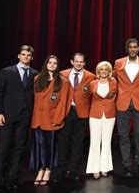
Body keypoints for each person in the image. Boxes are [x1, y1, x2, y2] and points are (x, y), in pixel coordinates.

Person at [0, 45, 38, 193]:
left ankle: (12, 178)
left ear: (31, 57)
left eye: (28, 55)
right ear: (19, 56)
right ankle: (0, 179)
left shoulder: (35, 74)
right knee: (4, 147)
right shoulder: (7, 71)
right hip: (8, 114)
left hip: (25, 116)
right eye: (23, 54)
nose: (25, 57)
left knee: (19, 147)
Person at [113, 38, 139, 177]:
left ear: (138, 48)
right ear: (127, 49)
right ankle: (127, 165)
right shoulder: (118, 62)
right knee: (123, 136)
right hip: (122, 101)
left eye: (135, 47)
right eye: (130, 47)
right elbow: (113, 78)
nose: (133, 49)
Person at [30, 55, 70, 186]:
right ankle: (40, 170)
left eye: (55, 63)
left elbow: (63, 103)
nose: (52, 65)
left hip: (52, 119)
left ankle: (48, 170)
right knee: (39, 146)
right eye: (50, 62)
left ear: (57, 66)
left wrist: (58, 118)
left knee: (50, 147)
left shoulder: (63, 81)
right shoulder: (37, 79)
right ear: (46, 64)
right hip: (38, 119)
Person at [56, 53, 95, 181]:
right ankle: (61, 169)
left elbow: (91, 93)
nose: (79, 64)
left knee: (78, 142)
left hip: (82, 112)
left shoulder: (90, 76)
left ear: (84, 63)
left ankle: (73, 169)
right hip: (66, 111)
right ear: (72, 62)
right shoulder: (62, 74)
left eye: (81, 62)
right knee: (63, 140)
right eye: (76, 61)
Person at [86, 61, 118, 179]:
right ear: (98, 71)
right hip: (95, 114)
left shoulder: (114, 83)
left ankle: (105, 167)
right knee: (94, 142)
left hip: (110, 114)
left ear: (109, 71)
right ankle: (95, 169)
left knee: (106, 141)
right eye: (101, 69)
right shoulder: (92, 83)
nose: (103, 71)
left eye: (106, 69)